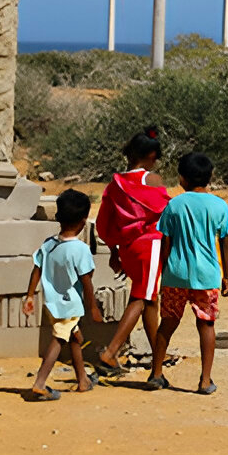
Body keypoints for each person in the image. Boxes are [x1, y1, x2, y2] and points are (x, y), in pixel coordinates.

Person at [90, 126, 172, 378]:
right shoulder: (152, 181)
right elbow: (167, 214)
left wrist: (115, 249)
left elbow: (103, 224)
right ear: (149, 155)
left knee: (149, 299)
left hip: (127, 248)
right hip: (150, 245)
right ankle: (111, 352)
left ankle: (158, 354)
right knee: (141, 297)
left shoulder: (115, 184)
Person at [149, 151, 228, 394]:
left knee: (168, 324)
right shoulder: (220, 206)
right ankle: (205, 381)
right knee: (206, 325)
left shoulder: (174, 204)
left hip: (176, 274)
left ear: (182, 179)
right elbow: (225, 240)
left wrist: (164, 269)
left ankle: (155, 374)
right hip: (207, 276)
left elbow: (165, 240)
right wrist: (227, 275)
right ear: (210, 177)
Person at [24, 189, 103, 401]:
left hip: (52, 304)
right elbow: (87, 281)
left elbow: (37, 269)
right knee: (59, 339)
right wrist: (93, 307)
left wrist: (30, 296)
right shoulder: (80, 249)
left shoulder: (49, 244)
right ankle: (40, 383)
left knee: (74, 338)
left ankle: (82, 381)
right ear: (84, 220)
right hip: (69, 305)